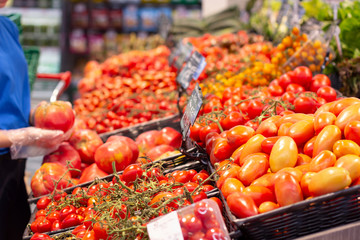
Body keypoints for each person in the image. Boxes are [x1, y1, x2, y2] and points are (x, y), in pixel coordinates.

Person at [0, 1, 66, 239]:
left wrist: (38, 115)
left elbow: (8, 95)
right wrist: (18, 135)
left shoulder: (7, 27)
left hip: (13, 164)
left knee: (17, 228)